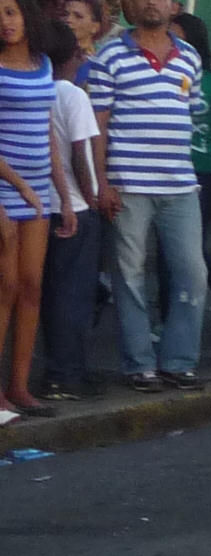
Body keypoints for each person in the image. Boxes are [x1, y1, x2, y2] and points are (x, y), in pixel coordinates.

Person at [86, 0, 207, 394]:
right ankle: (139, 364)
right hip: (128, 184)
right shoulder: (109, 56)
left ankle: (178, 360)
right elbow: (97, 124)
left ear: (174, 6)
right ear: (133, 4)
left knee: (192, 274)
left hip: (180, 184)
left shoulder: (189, 57)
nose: (151, 1)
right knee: (129, 276)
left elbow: (191, 114)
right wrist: (102, 180)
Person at [0, 0, 61, 417]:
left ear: (27, 15)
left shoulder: (45, 65)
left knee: (32, 287)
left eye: (11, 11)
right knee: (4, 287)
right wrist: (17, 184)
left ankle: (19, 386)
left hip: (39, 190)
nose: (5, 21)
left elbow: (48, 133)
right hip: (4, 188)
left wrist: (61, 192)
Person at [40, 21, 101, 401]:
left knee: (51, 292)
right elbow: (80, 152)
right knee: (74, 294)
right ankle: (67, 373)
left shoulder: (38, 91)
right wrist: (90, 195)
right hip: (74, 204)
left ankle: (58, 370)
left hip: (43, 204)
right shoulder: (73, 95)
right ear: (72, 55)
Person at [168, 12, 211, 330]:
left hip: (202, 171)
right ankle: (167, 314)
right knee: (164, 246)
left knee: (191, 245)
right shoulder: (164, 75)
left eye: (178, 36)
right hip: (167, 168)